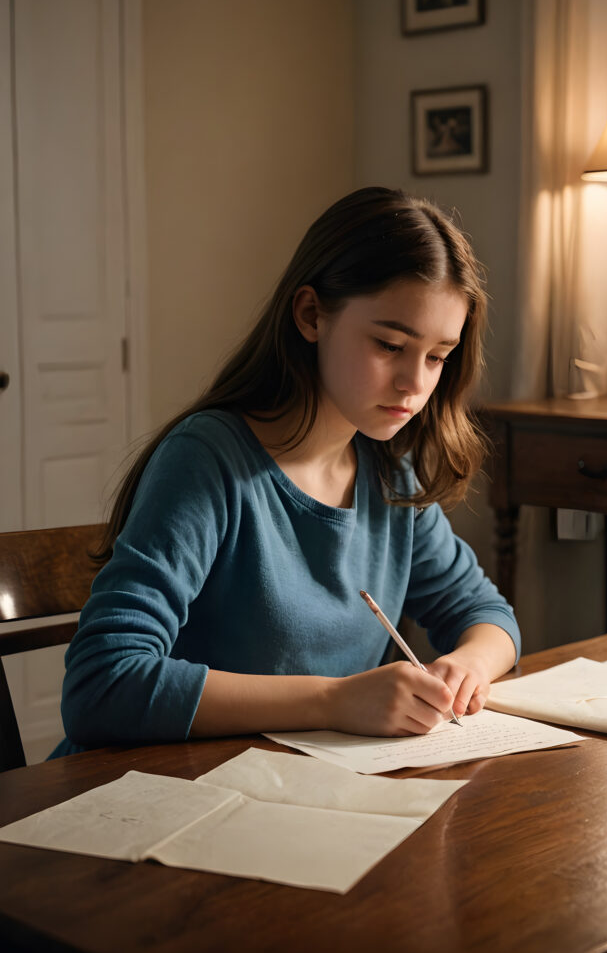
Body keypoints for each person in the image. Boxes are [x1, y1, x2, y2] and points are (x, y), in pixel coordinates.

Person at [52, 187, 520, 756]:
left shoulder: (390, 473)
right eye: (390, 344)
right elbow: (103, 685)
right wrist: (333, 701)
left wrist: (469, 664)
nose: (415, 384)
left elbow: (485, 614)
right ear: (310, 315)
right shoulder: (207, 460)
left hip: (304, 799)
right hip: (155, 802)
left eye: (437, 356)